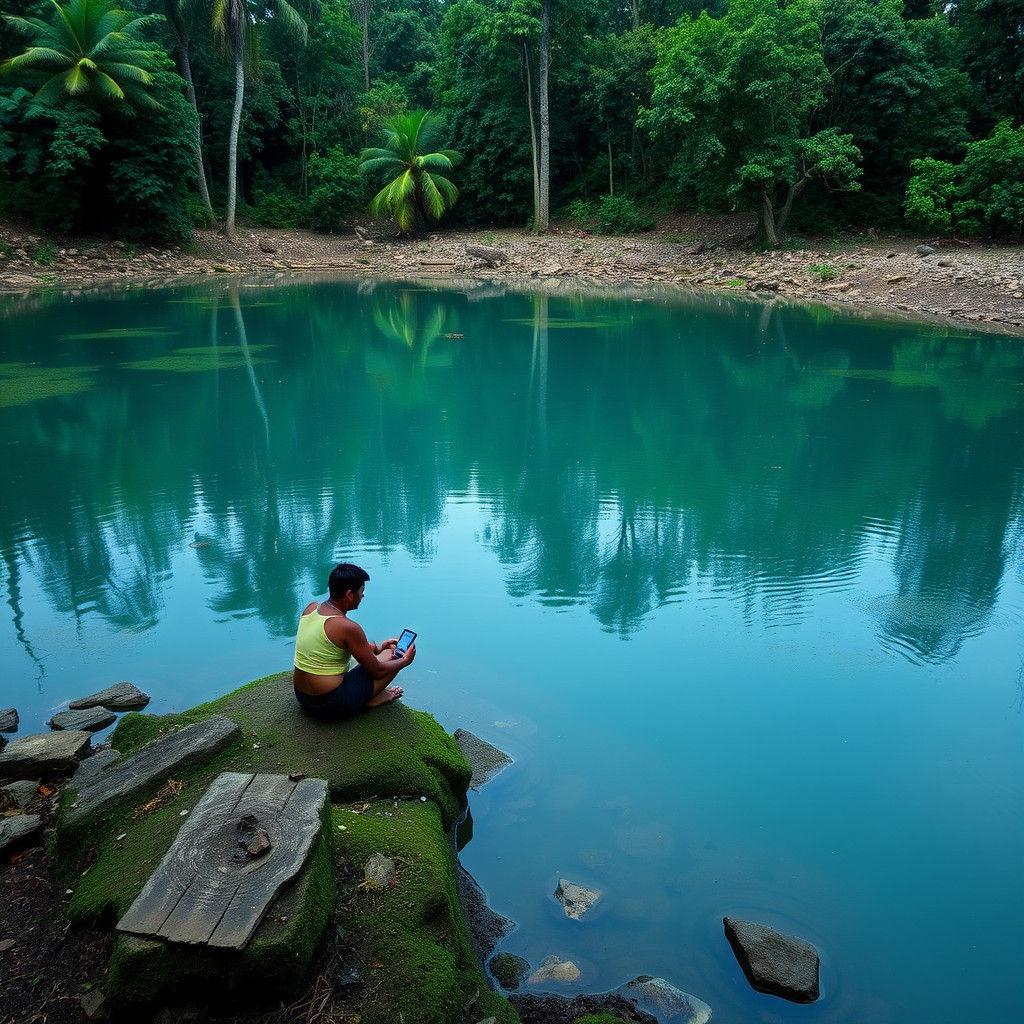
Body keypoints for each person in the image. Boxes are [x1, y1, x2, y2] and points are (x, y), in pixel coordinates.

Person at [292, 562, 416, 720]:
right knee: (394, 654)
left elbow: (335, 646)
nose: (363, 596)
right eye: (361, 591)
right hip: (330, 704)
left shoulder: (311, 608)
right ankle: (368, 700)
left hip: (303, 697)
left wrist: (378, 648)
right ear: (349, 594)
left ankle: (365, 695)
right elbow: (377, 670)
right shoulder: (348, 627)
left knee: (381, 653)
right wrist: (405, 661)